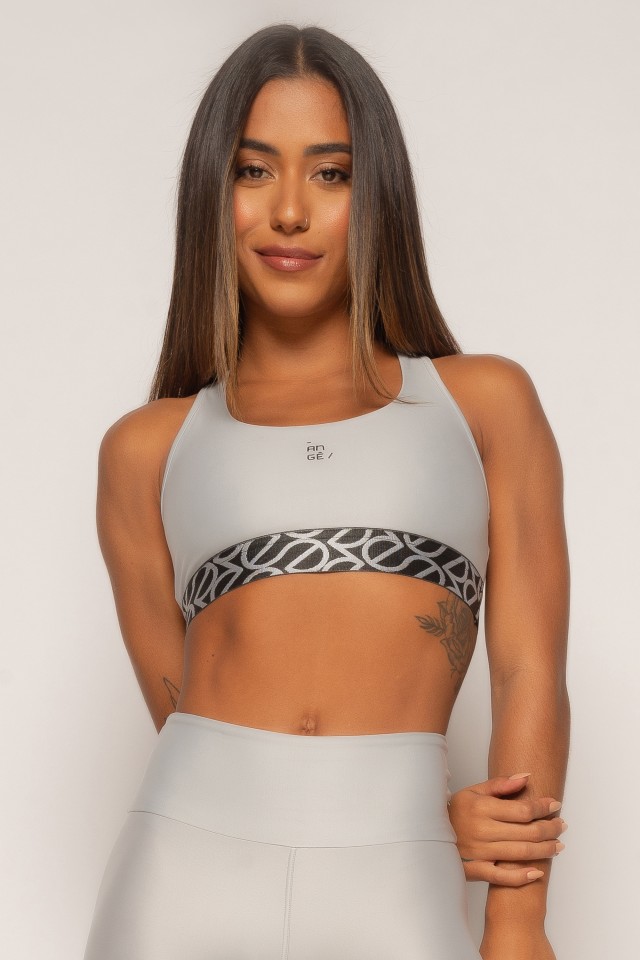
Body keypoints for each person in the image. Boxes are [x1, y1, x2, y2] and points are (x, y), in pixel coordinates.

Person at [83, 23, 570, 960]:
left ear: (376, 194)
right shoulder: (146, 449)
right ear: (212, 193)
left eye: (332, 173)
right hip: (181, 872)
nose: (289, 211)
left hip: (396, 879)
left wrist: (517, 919)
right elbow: (183, 710)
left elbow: (530, 673)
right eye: (253, 170)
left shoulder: (483, 405)